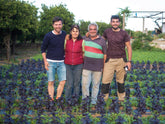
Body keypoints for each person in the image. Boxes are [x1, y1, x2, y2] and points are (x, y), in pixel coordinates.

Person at [101, 15, 132, 102]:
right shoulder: (107, 32)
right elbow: (101, 42)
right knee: (105, 81)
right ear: (111, 22)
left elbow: (129, 47)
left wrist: (129, 61)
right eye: (113, 21)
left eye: (117, 21)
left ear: (119, 23)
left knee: (121, 81)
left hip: (121, 60)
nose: (115, 23)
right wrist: (88, 37)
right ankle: (104, 100)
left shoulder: (124, 33)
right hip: (109, 60)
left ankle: (121, 99)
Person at [41, 16, 66, 100]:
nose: (58, 26)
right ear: (53, 25)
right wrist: (45, 62)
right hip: (50, 62)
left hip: (62, 62)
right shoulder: (48, 36)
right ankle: (51, 99)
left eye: (59, 24)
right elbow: (43, 50)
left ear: (62, 25)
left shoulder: (65, 34)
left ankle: (58, 98)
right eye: (56, 24)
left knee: (62, 81)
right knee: (51, 82)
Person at [82, 23, 107, 105]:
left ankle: (93, 101)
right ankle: (85, 101)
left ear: (97, 30)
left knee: (95, 85)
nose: (93, 31)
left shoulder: (102, 40)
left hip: (98, 66)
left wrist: (104, 67)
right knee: (85, 85)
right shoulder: (84, 39)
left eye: (94, 29)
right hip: (86, 66)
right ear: (88, 30)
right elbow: (72, 37)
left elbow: (105, 54)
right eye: (91, 29)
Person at [64, 24, 84, 102]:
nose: (75, 33)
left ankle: (75, 99)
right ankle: (67, 100)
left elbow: (83, 52)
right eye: (73, 31)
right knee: (69, 84)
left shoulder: (82, 41)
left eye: (77, 31)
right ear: (70, 32)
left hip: (78, 65)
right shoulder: (67, 41)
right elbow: (64, 50)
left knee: (77, 83)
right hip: (68, 65)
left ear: (79, 32)